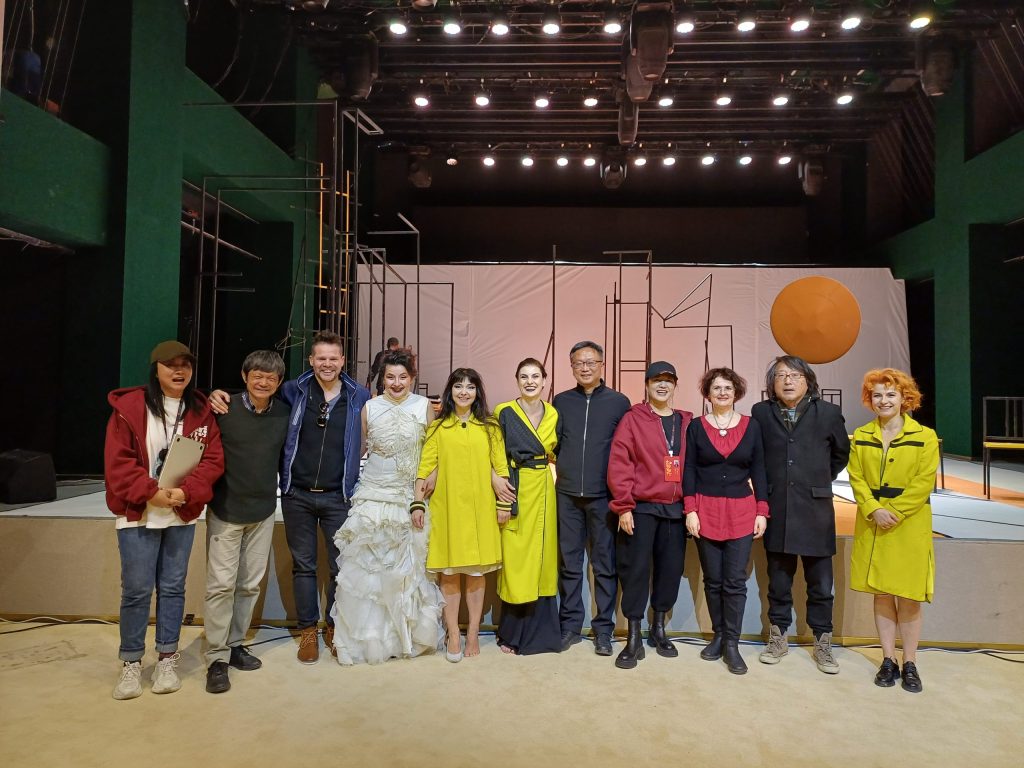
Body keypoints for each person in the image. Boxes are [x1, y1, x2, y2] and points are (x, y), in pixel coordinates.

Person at [210, 330, 370, 664]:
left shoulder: (360, 395)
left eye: (333, 358)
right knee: (304, 566)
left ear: (343, 361)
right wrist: (217, 394)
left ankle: (335, 627)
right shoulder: (292, 389)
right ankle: (308, 629)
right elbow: (256, 400)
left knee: (341, 567)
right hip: (297, 494)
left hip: (338, 496)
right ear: (311, 360)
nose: (327, 364)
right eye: (321, 358)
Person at [104, 340, 224, 700]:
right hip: (139, 512)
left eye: (185, 365)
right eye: (170, 365)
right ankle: (131, 662)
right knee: (137, 590)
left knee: (173, 588)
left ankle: (167, 659)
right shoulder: (129, 408)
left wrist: (187, 492)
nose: (179, 371)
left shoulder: (202, 410)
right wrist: (150, 492)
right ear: (156, 370)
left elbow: (212, 460)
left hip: (180, 513)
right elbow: (118, 462)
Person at [329, 350, 444, 664]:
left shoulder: (424, 407)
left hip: (410, 497)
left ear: (412, 378)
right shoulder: (369, 407)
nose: (396, 383)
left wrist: (429, 481)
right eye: (390, 377)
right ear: (382, 379)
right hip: (374, 495)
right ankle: (369, 640)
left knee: (407, 570)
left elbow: (432, 452)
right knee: (370, 569)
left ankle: (404, 638)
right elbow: (362, 448)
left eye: (403, 377)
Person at [751, 356, 850, 674]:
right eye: (781, 375)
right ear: (772, 383)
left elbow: (841, 454)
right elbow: (758, 457)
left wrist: (817, 480)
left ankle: (823, 642)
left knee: (820, 584)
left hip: (815, 509)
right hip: (777, 507)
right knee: (778, 582)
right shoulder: (761, 412)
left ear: (808, 380)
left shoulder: (828, 413)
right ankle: (778, 637)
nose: (788, 381)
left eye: (794, 375)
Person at [203, 350, 289, 694]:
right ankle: (216, 657)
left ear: (279, 382)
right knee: (221, 585)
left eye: (271, 378)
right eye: (257, 375)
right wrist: (209, 395)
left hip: (263, 510)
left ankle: (235, 643)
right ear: (244, 376)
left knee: (249, 585)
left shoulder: (283, 413)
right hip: (225, 509)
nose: (263, 382)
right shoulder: (224, 409)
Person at [847, 368, 938, 693]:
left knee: (909, 595)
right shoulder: (861, 435)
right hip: (873, 522)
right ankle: (888, 659)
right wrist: (874, 509)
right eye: (877, 395)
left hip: (909, 524)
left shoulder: (925, 436)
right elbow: (856, 477)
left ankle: (909, 661)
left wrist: (895, 512)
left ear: (904, 398)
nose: (883, 400)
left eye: (890, 394)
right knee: (882, 593)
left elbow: (924, 482)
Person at [415, 368, 511, 662]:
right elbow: (425, 467)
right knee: (450, 573)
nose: (464, 392)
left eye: (470, 387)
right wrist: (417, 502)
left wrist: (503, 504)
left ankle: (473, 631)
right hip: (448, 509)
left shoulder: (490, 427)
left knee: (476, 574)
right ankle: (453, 632)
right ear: (450, 391)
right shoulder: (438, 427)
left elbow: (501, 467)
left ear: (478, 392)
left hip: (481, 508)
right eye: (458, 386)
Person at [607, 362, 693, 669]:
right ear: (646, 385)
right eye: (657, 380)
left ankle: (658, 629)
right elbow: (620, 462)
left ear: (675, 385)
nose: (662, 385)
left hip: (676, 510)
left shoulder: (686, 421)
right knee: (636, 571)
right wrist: (624, 506)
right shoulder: (633, 419)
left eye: (668, 380)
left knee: (670, 571)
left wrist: (692, 507)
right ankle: (633, 636)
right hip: (641, 508)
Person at [683, 367, 768, 675]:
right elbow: (688, 469)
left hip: (742, 511)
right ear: (708, 393)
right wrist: (690, 509)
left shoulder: (751, 426)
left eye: (727, 388)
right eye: (716, 388)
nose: (722, 392)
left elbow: (759, 470)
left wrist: (762, 511)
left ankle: (732, 643)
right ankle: (718, 635)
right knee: (713, 580)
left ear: (736, 393)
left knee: (734, 581)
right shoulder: (696, 427)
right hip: (705, 510)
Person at [553, 341, 630, 655]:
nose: (584, 368)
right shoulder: (561, 401)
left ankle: (603, 630)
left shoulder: (619, 402)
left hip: (603, 497)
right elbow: (555, 444)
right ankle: (570, 627)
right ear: (571, 366)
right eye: (578, 363)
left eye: (590, 362)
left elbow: (625, 449)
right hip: (567, 494)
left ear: (601, 365)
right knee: (570, 565)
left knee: (604, 565)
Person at [492, 358, 561, 655]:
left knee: (543, 558)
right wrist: (499, 488)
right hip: (515, 487)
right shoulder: (504, 412)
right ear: (517, 380)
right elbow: (494, 454)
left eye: (535, 376)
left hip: (544, 488)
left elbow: (555, 452)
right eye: (524, 376)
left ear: (544, 381)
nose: (530, 381)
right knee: (516, 557)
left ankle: (542, 633)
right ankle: (512, 632)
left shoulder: (553, 413)